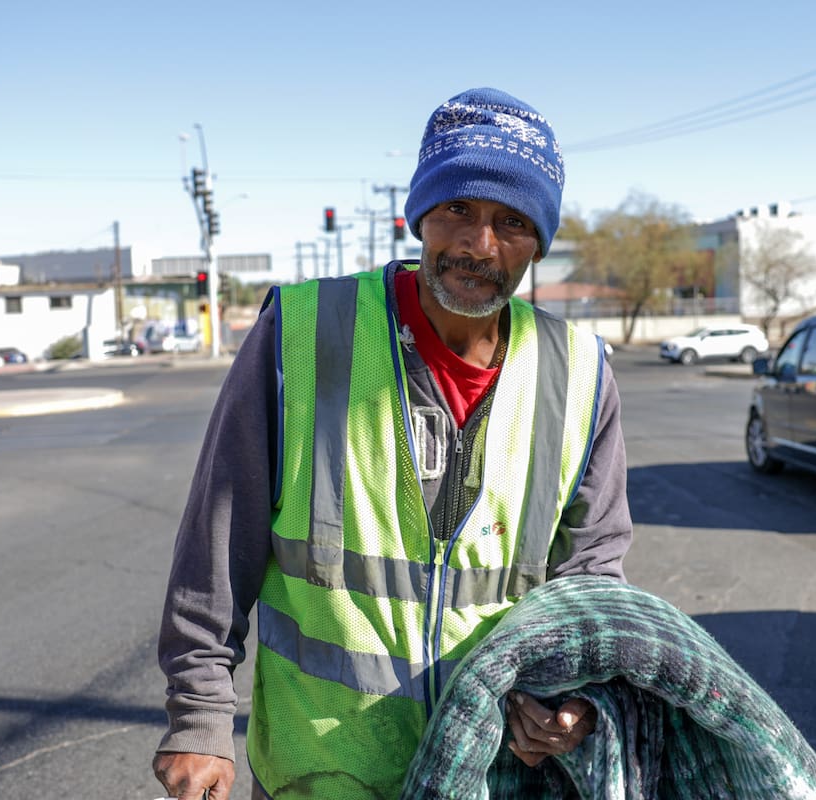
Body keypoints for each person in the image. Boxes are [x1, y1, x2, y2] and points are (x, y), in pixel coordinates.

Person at [153, 87, 633, 800]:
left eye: (512, 221)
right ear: (420, 216)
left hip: (495, 779)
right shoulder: (304, 333)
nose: (481, 244)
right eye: (458, 210)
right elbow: (218, 543)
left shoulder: (582, 376)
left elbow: (592, 576)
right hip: (323, 777)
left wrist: (581, 702)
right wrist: (199, 714)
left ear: (539, 240)